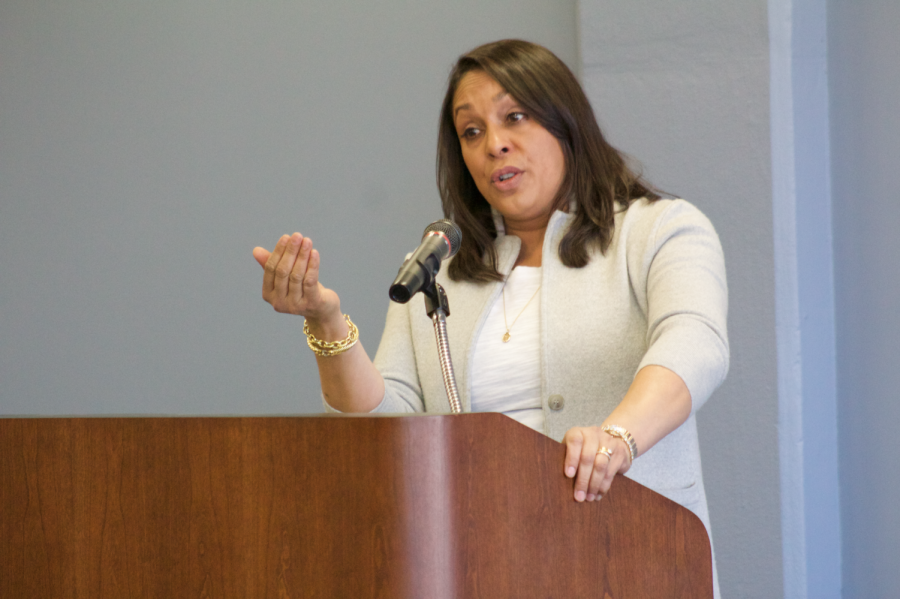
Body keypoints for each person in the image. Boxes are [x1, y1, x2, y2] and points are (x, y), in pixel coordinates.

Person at [253, 39, 728, 594]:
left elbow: (694, 342)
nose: (494, 145)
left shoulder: (658, 230)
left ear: (566, 122)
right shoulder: (440, 273)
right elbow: (385, 432)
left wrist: (617, 438)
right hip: (485, 569)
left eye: (515, 118)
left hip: (632, 555)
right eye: (471, 132)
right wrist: (326, 321)